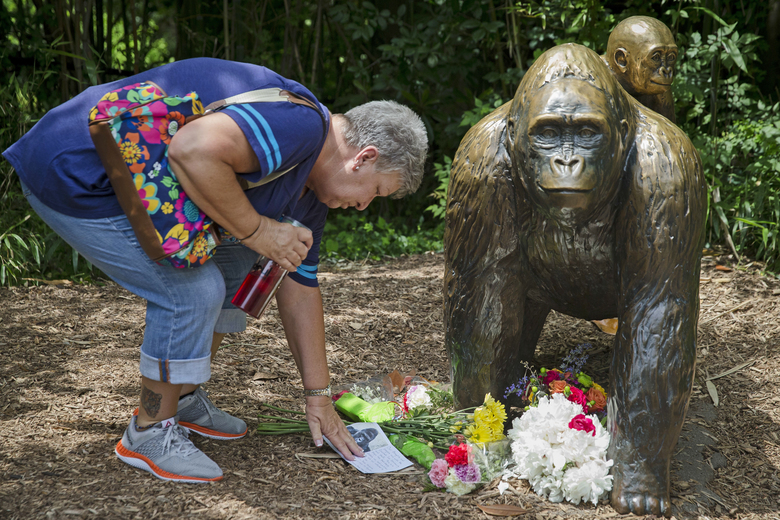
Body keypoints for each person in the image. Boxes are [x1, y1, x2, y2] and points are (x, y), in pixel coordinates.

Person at [2, 57, 428, 483]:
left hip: (131, 186)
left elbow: (299, 286)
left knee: (244, 266)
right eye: (375, 191)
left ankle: (182, 398)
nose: (363, 205)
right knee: (193, 291)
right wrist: (258, 230)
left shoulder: (311, 195)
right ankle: (148, 431)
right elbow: (191, 149)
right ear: (363, 158)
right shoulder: (300, 126)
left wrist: (318, 397)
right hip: (76, 174)